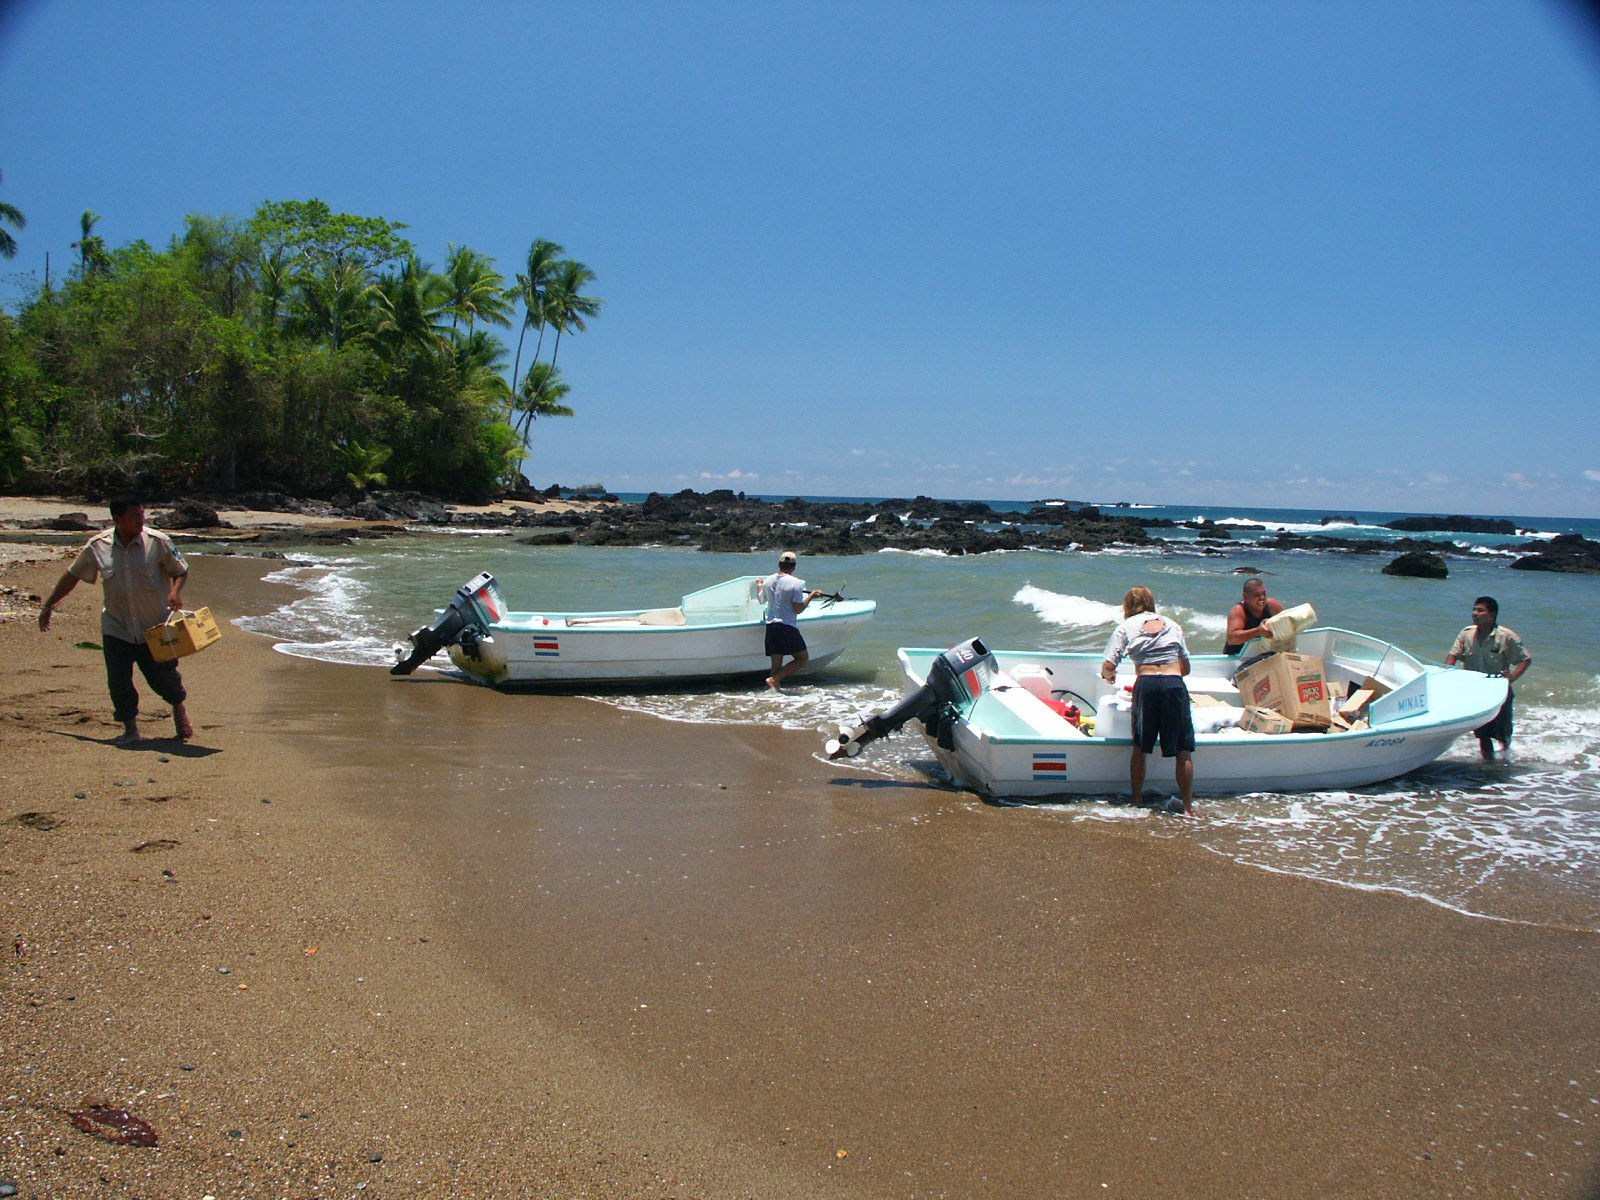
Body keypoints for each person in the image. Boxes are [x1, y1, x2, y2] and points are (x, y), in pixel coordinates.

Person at [38, 495, 195, 745]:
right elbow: (72, 575)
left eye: (142, 514)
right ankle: (131, 729)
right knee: (118, 680)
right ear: (117, 518)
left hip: (154, 626)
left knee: (163, 678)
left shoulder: (158, 542)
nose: (141, 519)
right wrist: (49, 604)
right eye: (135, 516)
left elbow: (181, 570)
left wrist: (175, 592)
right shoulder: (97, 545)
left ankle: (178, 706)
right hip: (116, 626)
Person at [1101, 586, 1195, 815]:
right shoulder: (1172, 624)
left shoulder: (1126, 627)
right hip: (1173, 684)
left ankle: (1137, 800)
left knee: (1140, 747)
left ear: (1127, 607)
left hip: (1147, 685)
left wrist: (1109, 676)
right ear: (1152, 604)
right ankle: (1188, 808)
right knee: (1183, 751)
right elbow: (1186, 668)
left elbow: (1109, 665)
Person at [1445, 595, 1531, 760]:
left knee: (1502, 733)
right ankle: (1488, 764)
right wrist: (1448, 674)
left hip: (1499, 692)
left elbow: (1526, 659)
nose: (1475, 613)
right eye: (1474, 610)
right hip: (1477, 691)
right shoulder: (1466, 634)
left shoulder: (1506, 636)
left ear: (1492, 615)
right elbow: (1452, 656)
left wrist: (1511, 678)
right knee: (1482, 733)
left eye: (1480, 610)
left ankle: (1506, 760)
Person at [756, 550, 822, 691]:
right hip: (786, 625)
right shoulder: (796, 583)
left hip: (771, 625)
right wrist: (811, 596)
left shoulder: (768, 581)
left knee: (776, 662)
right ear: (794, 566)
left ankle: (774, 692)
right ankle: (774, 680)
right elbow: (798, 609)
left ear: (779, 564)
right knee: (802, 658)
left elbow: (761, 599)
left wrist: (760, 585)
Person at [1222, 577, 1286, 656]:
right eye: (1256, 595)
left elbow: (1287, 622)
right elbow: (1232, 639)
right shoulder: (1238, 611)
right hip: (1237, 657)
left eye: (1264, 593)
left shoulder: (1273, 605)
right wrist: (1257, 631)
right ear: (1245, 596)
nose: (1262, 598)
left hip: (1262, 654)